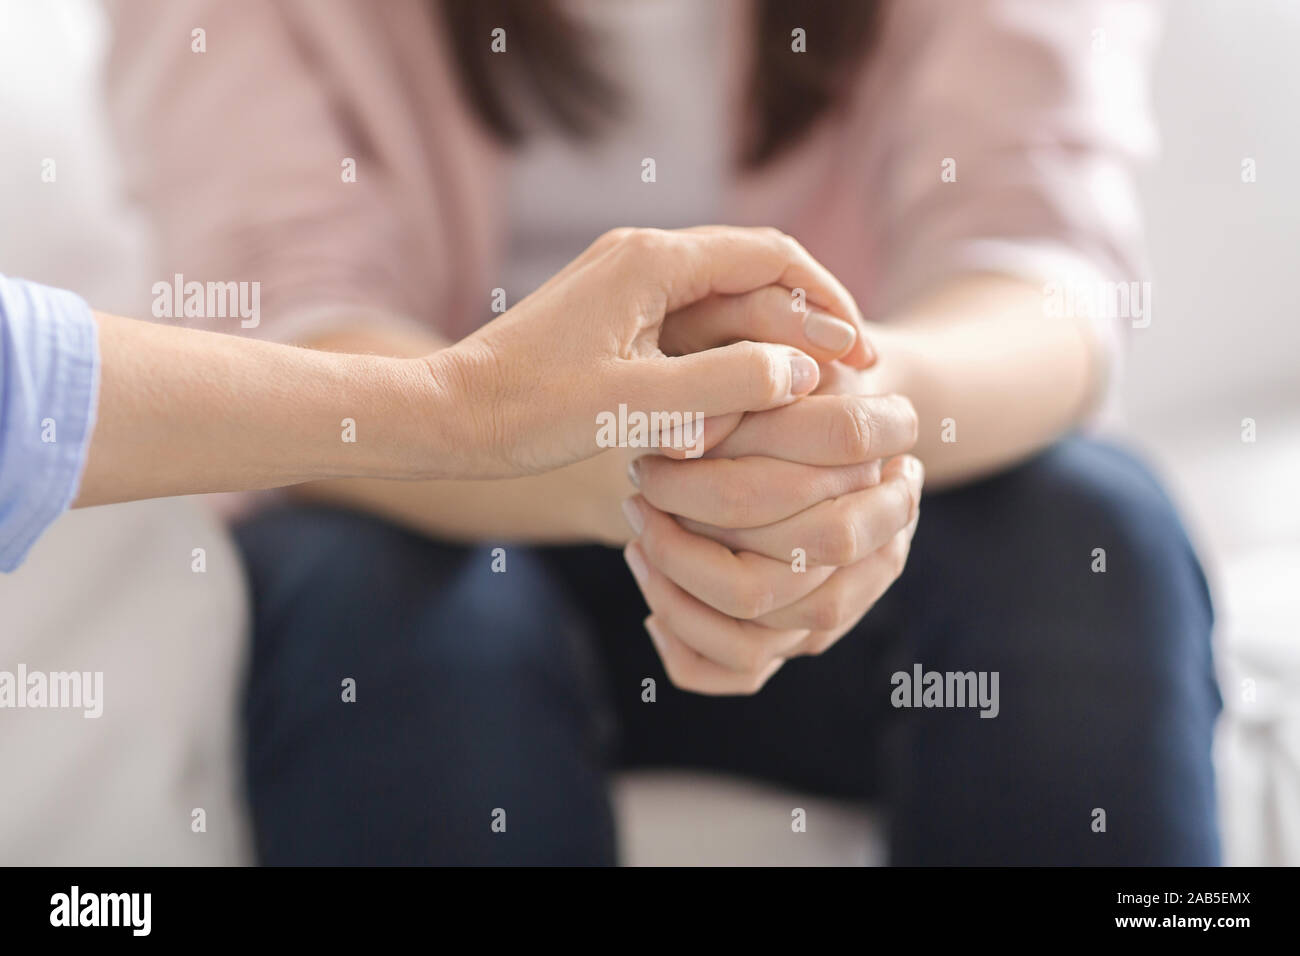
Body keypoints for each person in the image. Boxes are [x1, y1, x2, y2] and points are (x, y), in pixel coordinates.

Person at [104, 0, 1221, 864]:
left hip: (840, 521)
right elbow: (293, 331)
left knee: (1082, 534)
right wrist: (647, 458)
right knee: (378, 589)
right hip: (435, 506)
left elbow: (1038, 270)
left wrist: (833, 431)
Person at [1, 226, 869, 569]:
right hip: (417, 519)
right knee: (372, 582)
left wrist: (834, 417)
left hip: (855, 478)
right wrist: (464, 406)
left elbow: (1006, 256)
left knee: (1002, 527)